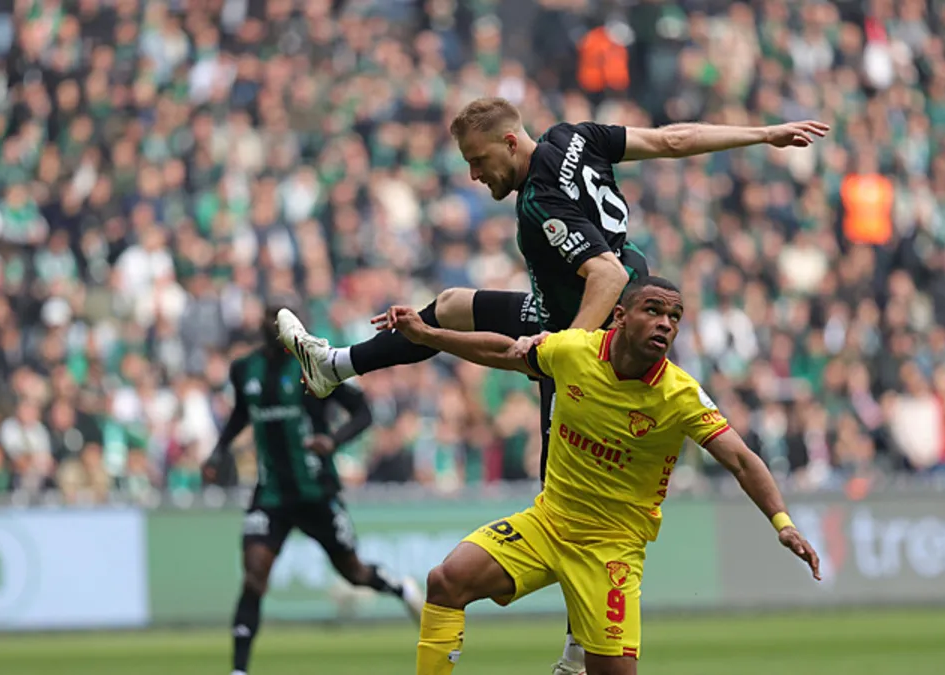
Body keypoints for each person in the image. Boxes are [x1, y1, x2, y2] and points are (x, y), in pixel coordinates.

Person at [277, 97, 827, 674]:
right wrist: (762, 133)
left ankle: (575, 650)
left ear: (510, 142)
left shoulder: (540, 200)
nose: (474, 174)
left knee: (564, 490)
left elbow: (607, 275)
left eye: (478, 160)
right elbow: (671, 141)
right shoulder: (575, 137)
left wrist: (570, 352)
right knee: (452, 305)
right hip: (572, 313)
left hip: (593, 330)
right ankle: (335, 365)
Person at [383, 276, 822, 675]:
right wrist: (428, 336)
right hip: (548, 524)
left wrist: (782, 522)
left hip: (610, 549)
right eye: (653, 310)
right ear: (620, 316)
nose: (665, 323)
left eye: (674, 316)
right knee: (446, 581)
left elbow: (742, 460)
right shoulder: (574, 351)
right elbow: (505, 352)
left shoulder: (681, 395)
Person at [204, 302, 424, 675]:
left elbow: (363, 411)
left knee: (353, 571)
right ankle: (238, 670)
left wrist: (333, 441)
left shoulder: (315, 365)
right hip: (270, 493)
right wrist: (218, 450)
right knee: (254, 574)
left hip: (316, 490)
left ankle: (400, 588)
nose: (272, 325)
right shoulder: (244, 370)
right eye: (268, 318)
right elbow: (241, 412)